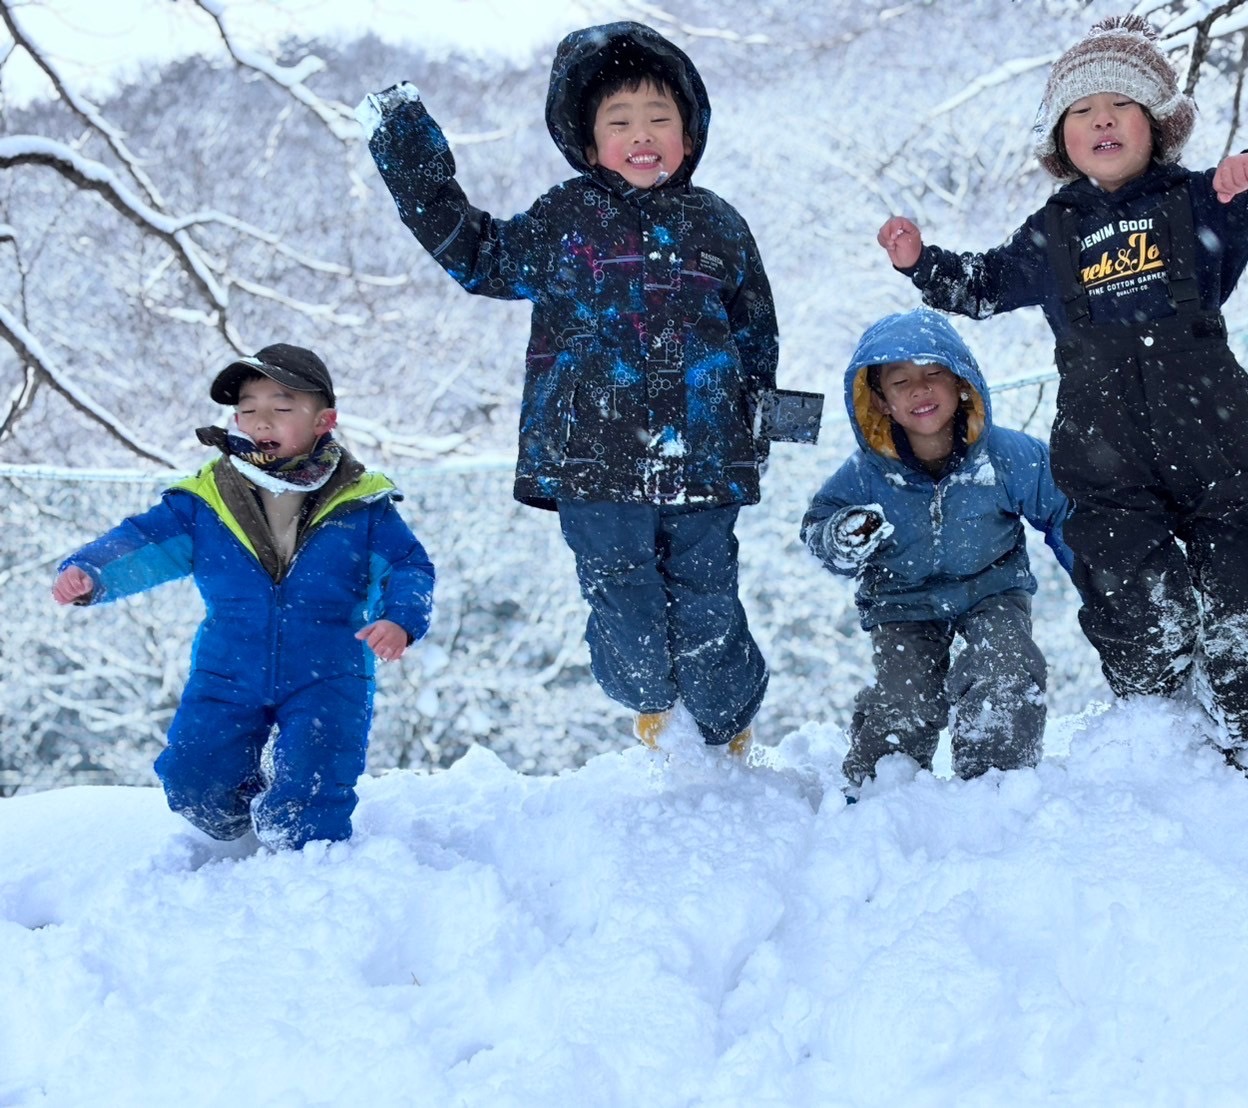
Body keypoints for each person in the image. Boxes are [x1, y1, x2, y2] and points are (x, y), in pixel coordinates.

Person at [876, 15, 1248, 768]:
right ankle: (1159, 723)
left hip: (1210, 437)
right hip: (1105, 451)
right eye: (1082, 111)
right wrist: (922, 264)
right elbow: (983, 284)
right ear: (1061, 141)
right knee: (1126, 589)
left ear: (1156, 126)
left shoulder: (1199, 203)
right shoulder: (1052, 234)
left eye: (1121, 106)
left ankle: (1245, 722)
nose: (1102, 120)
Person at [358, 22, 783, 756]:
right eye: (619, 122)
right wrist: (407, 151)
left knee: (710, 603)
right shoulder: (564, 219)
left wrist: (758, 430)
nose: (641, 134)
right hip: (595, 460)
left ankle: (724, 721)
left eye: (660, 119)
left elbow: (756, 335)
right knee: (627, 607)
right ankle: (649, 702)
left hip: (706, 460)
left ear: (689, 135)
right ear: (588, 143)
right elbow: (478, 256)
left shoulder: (718, 221)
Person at [51, 345, 435, 850]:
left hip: (331, 671)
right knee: (194, 780)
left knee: (312, 795)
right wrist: (91, 571)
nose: (261, 421)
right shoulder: (206, 499)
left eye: (281, 406)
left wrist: (401, 619)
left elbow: (409, 565)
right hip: (228, 668)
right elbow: (146, 540)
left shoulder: (362, 502)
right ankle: (240, 835)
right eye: (248, 409)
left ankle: (305, 873)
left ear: (324, 420)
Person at [802, 309, 1073, 795]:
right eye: (900, 381)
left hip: (992, 590)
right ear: (880, 401)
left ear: (961, 382)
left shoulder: (1009, 456)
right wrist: (842, 536)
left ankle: (997, 785)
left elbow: (1066, 515)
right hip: (902, 604)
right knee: (907, 700)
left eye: (933, 374)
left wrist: (1103, 584)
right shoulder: (865, 475)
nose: (919, 389)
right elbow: (820, 531)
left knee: (1005, 668)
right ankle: (880, 790)